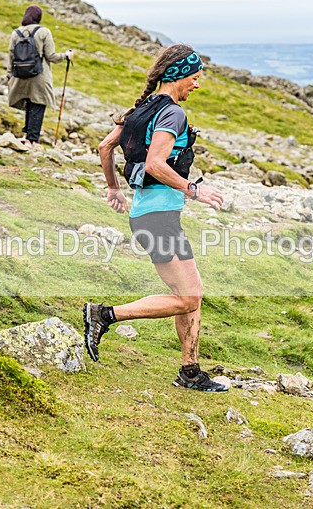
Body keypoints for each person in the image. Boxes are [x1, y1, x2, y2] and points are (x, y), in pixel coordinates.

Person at [84, 44, 227, 393]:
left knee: (191, 292)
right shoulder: (172, 114)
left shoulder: (141, 109)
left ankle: (190, 371)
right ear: (178, 75)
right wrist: (194, 190)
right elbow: (155, 165)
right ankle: (104, 315)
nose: (197, 85)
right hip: (159, 217)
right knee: (189, 298)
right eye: (194, 78)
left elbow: (105, 147)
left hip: (148, 214)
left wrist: (114, 188)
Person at [8, 5, 73, 146]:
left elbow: (11, 56)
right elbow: (51, 56)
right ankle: (32, 138)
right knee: (38, 104)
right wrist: (66, 56)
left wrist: (9, 75)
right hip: (39, 75)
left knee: (28, 104)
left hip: (20, 75)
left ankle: (26, 134)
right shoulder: (43, 32)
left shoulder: (16, 33)